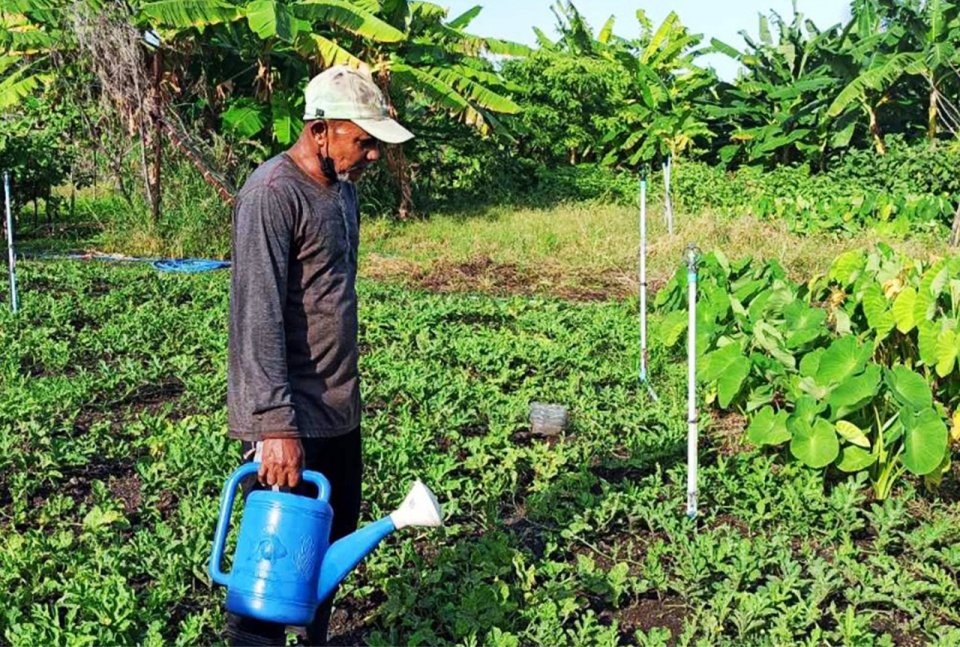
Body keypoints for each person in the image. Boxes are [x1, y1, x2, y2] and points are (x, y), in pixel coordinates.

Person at [224, 65, 414, 646]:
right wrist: (275, 428)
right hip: (290, 421)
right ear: (321, 130)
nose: (373, 154)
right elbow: (256, 317)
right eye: (364, 140)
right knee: (273, 572)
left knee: (327, 556)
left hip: (337, 412)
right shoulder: (272, 194)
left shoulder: (343, 192)